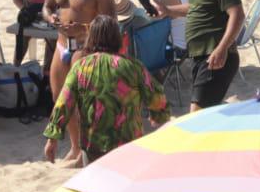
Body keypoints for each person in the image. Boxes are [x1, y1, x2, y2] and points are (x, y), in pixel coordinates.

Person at [43, 15, 170, 165]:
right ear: (117, 38)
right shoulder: (133, 67)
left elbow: (63, 104)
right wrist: (157, 115)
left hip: (93, 146)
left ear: (91, 39)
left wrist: (52, 139)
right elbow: (157, 96)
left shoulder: (81, 67)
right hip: (128, 144)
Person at [151, 0, 244, 111]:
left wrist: (222, 48)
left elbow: (237, 15)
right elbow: (195, 8)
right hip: (199, 56)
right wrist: (167, 10)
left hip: (215, 57)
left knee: (197, 113)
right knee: (208, 111)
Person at [44, 0, 118, 97]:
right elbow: (47, 6)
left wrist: (83, 29)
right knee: (58, 97)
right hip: (62, 45)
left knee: (81, 100)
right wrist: (50, 17)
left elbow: (111, 26)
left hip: (85, 48)